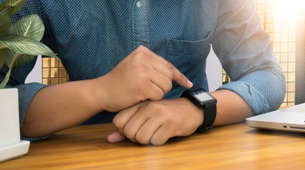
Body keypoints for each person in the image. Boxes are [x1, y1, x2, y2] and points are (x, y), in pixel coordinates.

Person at [5, 0, 285, 145]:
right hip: (90, 163)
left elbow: (266, 75)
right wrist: (99, 92)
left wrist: (196, 109)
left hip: (196, 155)